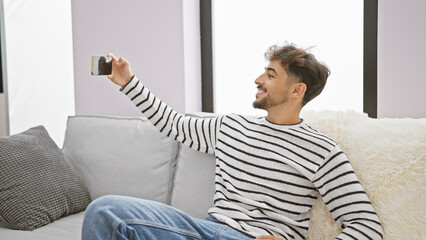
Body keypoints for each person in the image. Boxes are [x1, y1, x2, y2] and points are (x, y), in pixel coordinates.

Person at [82, 44, 384, 240]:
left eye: (270, 75)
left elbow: (366, 226)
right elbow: (173, 124)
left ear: (296, 90)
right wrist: (129, 83)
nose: (257, 79)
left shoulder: (322, 151)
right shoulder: (231, 126)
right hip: (204, 230)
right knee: (106, 211)